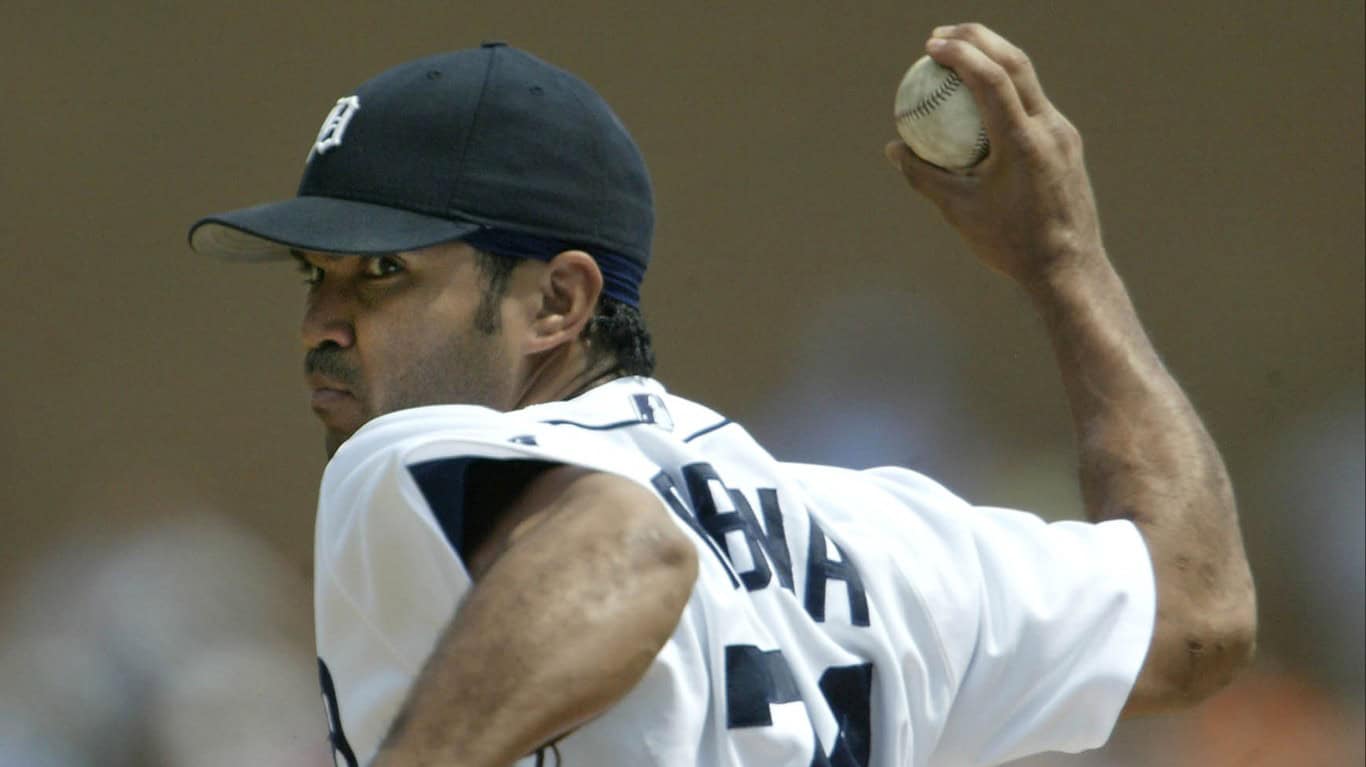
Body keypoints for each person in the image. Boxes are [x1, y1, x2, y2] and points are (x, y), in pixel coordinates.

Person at [187, 24, 1257, 767]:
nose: (322, 321)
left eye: (382, 273)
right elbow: (1196, 616)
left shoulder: (407, 459)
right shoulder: (865, 537)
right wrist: (1067, 266)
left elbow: (624, 547)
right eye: (314, 274)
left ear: (557, 302)